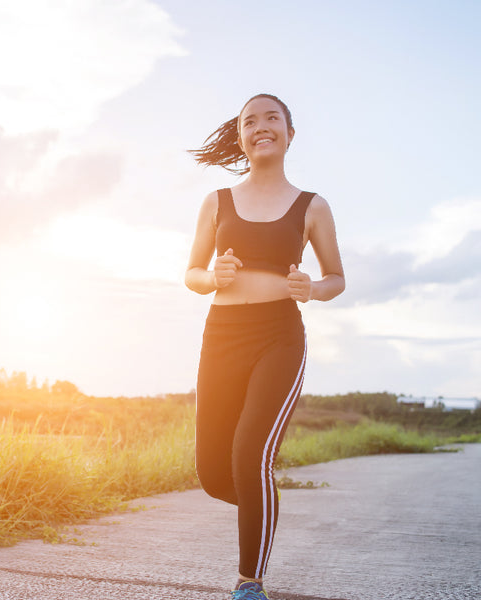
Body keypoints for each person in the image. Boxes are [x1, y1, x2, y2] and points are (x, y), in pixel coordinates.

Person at [185, 93, 345, 600]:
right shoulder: (216, 202)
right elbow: (191, 274)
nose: (261, 127)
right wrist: (213, 277)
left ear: (289, 133)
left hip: (278, 335)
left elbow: (336, 277)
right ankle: (263, 500)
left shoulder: (311, 206)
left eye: (271, 118)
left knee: (250, 455)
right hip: (222, 336)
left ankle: (249, 582)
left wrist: (312, 289)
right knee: (215, 473)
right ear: (241, 137)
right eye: (249, 121)